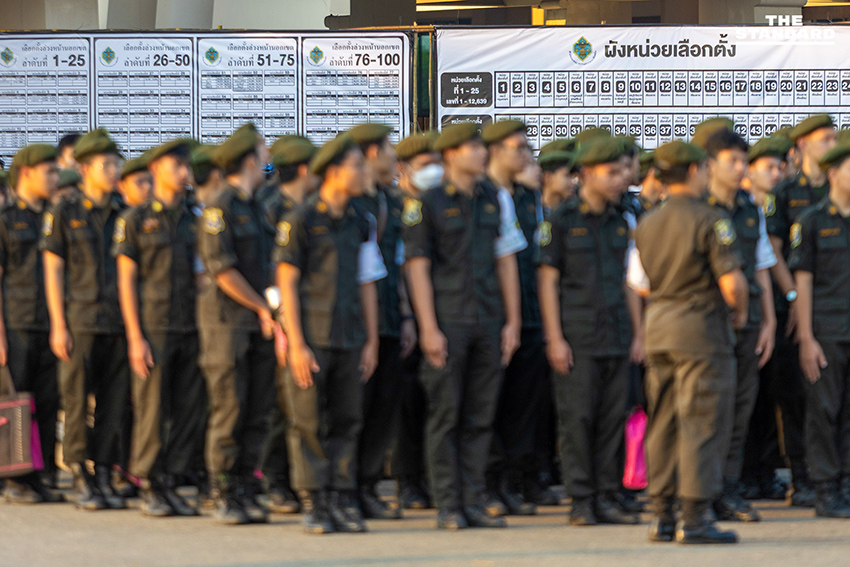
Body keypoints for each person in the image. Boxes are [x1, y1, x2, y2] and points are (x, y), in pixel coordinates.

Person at [402, 122, 523, 530]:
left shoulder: (495, 197)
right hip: (449, 320)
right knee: (446, 414)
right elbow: (417, 268)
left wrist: (513, 321)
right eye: (473, 147)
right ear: (451, 154)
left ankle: (473, 500)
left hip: (488, 319)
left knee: (480, 415)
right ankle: (448, 504)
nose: (480, 153)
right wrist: (428, 328)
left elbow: (506, 259)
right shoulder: (428, 203)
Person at [629, 140, 748, 544]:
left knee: (662, 421)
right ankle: (694, 517)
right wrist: (739, 309)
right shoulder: (710, 219)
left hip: (659, 326)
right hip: (700, 331)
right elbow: (732, 283)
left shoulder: (647, 221)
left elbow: (640, 284)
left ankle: (661, 515)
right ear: (696, 171)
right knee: (701, 421)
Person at [274, 134, 384, 534]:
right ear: (334, 172)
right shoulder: (301, 219)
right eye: (357, 165)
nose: (363, 173)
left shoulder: (362, 220)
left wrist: (371, 340)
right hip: (313, 337)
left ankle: (341, 496)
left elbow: (368, 280)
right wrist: (297, 343)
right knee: (307, 422)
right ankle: (315, 500)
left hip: (350, 336)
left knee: (348, 419)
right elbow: (287, 282)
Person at [537, 136, 641, 527]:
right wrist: (555, 338)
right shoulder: (561, 220)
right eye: (610, 173)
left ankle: (608, 494)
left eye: (620, 172)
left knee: (615, 416)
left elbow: (632, 281)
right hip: (577, 334)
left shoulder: (623, 219)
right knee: (578, 418)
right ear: (585, 175)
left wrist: (639, 333)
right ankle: (581, 498)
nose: (619, 180)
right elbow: (548, 281)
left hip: (617, 331)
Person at [113, 139, 206, 518]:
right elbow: (126, 281)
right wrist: (135, 337)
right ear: (156, 170)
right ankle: (150, 481)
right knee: (152, 409)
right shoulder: (135, 220)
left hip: (191, 325)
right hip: (154, 327)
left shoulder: (196, 218)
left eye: (187, 166)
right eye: (177, 166)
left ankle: (171, 478)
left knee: (190, 408)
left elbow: (203, 278)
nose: (185, 173)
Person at [40, 128, 130, 511]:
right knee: (76, 400)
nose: (114, 171)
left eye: (116, 163)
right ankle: (80, 473)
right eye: (106, 165)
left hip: (118, 321)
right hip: (79, 320)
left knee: (114, 402)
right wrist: (58, 324)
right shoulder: (64, 213)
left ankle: (105, 471)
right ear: (86, 168)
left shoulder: (125, 212)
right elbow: (53, 270)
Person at [196, 124, 277, 525]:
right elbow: (222, 269)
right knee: (230, 408)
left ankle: (246, 485)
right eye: (263, 150)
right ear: (249, 158)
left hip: (259, 323)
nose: (267, 158)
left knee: (258, 409)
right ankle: (224, 489)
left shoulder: (254, 205)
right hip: (228, 325)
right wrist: (262, 306)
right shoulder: (220, 206)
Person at [702, 128, 778, 522]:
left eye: (742, 161)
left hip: (748, 326)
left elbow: (762, 266)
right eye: (731, 160)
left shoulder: (750, 208)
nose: (739, 168)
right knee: (708, 412)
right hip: (708, 324)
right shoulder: (698, 207)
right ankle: (703, 493)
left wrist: (768, 320)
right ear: (709, 165)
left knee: (739, 409)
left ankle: (728, 490)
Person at [765, 115, 837, 507]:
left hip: (831, 306)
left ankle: (834, 474)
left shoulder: (839, 187)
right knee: (794, 394)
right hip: (791, 306)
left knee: (831, 397)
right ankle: (803, 477)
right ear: (803, 145)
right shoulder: (785, 191)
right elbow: (772, 249)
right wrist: (794, 297)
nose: (832, 143)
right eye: (824, 138)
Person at [481, 120, 543, 517]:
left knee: (522, 404)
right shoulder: (482, 195)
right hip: (487, 314)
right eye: (518, 147)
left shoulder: (526, 195)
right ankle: (487, 484)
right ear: (494, 151)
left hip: (529, 312)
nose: (526, 155)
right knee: (487, 403)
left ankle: (512, 483)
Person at [347, 123, 407, 521]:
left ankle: (367, 485)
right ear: (370, 155)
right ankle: (344, 488)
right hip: (352, 324)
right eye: (388, 150)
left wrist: (406, 316)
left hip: (387, 318)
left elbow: (400, 263)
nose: (393, 159)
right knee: (353, 410)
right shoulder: (347, 205)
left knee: (384, 406)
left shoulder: (392, 202)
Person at [788, 140, 850, 518]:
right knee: (823, 411)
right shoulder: (812, 220)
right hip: (827, 331)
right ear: (833, 173)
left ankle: (846, 483)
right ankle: (825, 488)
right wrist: (807, 337)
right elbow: (804, 281)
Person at [258, 134, 318, 515]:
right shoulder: (269, 205)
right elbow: (267, 263)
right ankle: (277, 480)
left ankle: (300, 480)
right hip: (277, 314)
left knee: (302, 404)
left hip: (310, 312)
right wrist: (276, 313)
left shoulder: (314, 206)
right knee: (279, 406)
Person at [0, 145, 63, 503]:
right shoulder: (6, 219)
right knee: (16, 403)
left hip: (50, 323)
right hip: (17, 322)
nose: (54, 178)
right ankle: (15, 478)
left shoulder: (55, 217)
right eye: (48, 172)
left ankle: (41, 475)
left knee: (48, 402)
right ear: (26, 174)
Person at [740, 135, 797, 500]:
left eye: (780, 167)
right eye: (768, 168)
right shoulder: (741, 210)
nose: (776, 174)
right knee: (748, 399)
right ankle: (744, 475)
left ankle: (765, 472)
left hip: (780, 313)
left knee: (776, 397)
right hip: (749, 316)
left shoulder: (781, 208)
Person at [391, 131, 442, 510]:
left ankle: (433, 478)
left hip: (446, 314)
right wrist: (409, 314)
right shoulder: (393, 207)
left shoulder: (442, 204)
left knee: (440, 405)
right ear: (403, 169)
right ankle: (408, 481)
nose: (435, 173)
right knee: (408, 405)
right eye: (426, 167)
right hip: (406, 317)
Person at [539, 151, 577, 217]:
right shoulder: (532, 212)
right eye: (567, 176)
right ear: (548, 178)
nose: (573, 182)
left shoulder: (572, 213)